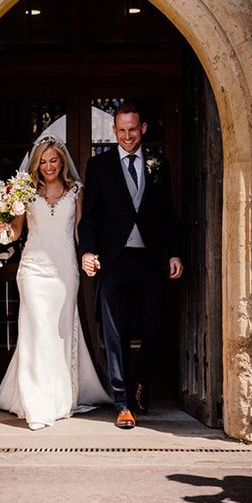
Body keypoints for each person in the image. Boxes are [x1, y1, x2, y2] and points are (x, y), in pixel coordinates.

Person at [0, 138, 110, 430]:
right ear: (36, 164)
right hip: (33, 269)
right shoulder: (25, 192)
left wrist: (89, 255)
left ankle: (59, 398)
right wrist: (3, 229)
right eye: (43, 162)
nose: (48, 167)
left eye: (53, 160)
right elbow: (16, 233)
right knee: (35, 333)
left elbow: (81, 232)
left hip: (65, 270)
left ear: (62, 161)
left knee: (59, 334)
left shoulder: (76, 191)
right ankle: (35, 403)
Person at [78, 103, 182, 430]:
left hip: (149, 259)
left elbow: (167, 214)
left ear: (143, 128)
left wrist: (174, 253)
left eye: (132, 130)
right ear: (114, 131)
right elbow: (90, 215)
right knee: (115, 332)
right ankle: (122, 402)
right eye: (121, 131)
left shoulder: (158, 164)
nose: (127, 136)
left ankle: (141, 382)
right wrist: (87, 252)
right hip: (113, 261)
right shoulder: (98, 166)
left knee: (154, 328)